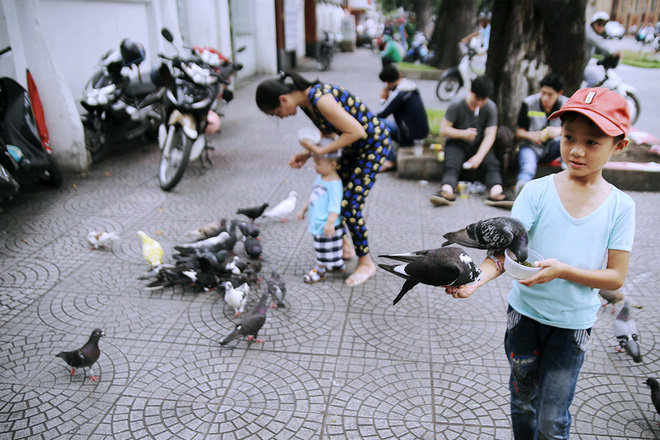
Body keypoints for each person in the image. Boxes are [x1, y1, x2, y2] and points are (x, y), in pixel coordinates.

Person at [445, 87, 635, 439]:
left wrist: (563, 271)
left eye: (592, 142)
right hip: (524, 319)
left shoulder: (621, 207)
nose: (576, 150)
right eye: (569, 137)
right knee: (523, 403)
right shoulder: (536, 191)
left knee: (552, 417)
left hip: (572, 325)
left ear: (618, 146)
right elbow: (504, 254)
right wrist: (474, 281)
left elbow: (615, 277)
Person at [255, 71, 391, 286]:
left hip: (372, 146)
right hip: (351, 147)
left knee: (349, 206)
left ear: (283, 99)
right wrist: (309, 153)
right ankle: (344, 246)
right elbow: (329, 134)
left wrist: (320, 149)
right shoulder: (307, 104)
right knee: (333, 193)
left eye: (276, 113)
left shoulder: (320, 99)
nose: (280, 117)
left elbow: (357, 132)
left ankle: (366, 263)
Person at [429, 75, 512, 208]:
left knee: (492, 163)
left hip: (479, 144)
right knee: (451, 163)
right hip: (457, 142)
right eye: (477, 99)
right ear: (471, 92)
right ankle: (447, 190)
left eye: (483, 100)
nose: (479, 103)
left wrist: (479, 156)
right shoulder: (457, 104)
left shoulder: (491, 107)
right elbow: (443, 129)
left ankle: (496, 192)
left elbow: (490, 135)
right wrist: (463, 133)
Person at [296, 142, 345, 284]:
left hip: (326, 225)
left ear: (333, 165)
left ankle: (320, 270)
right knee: (328, 248)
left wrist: (330, 223)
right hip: (317, 222)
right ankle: (337, 264)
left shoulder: (335, 184)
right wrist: (303, 209)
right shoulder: (320, 178)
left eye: (318, 163)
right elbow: (313, 196)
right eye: (315, 163)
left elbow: (335, 206)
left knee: (323, 250)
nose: (315, 167)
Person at [514, 73, 568, 195]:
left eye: (550, 95)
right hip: (530, 146)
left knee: (567, 140)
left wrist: (557, 131)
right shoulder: (528, 103)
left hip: (553, 147)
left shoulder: (567, 105)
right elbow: (519, 132)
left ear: (559, 93)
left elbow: (574, 132)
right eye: (543, 93)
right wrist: (530, 135)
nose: (545, 98)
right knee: (528, 167)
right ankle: (521, 190)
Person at [377, 63, 429, 171]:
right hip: (421, 133)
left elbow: (380, 114)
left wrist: (383, 98)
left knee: (378, 123)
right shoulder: (411, 86)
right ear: (400, 75)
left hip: (409, 136)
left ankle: (390, 159)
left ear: (386, 83)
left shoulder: (399, 94)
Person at [584, 11, 621, 87]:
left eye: (604, 24)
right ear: (593, 23)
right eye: (599, 24)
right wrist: (613, 52)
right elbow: (600, 44)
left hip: (582, 67)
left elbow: (600, 50)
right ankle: (585, 98)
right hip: (577, 68)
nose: (601, 27)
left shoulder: (593, 35)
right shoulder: (588, 31)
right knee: (594, 79)